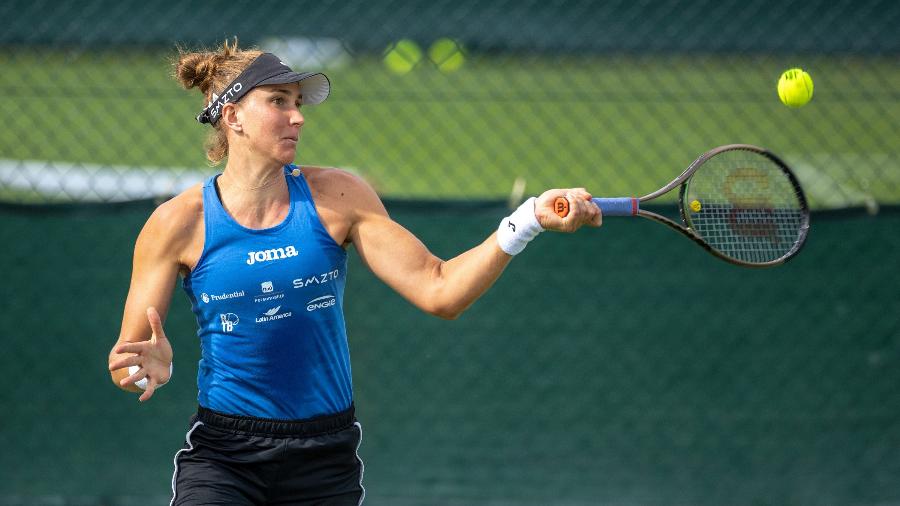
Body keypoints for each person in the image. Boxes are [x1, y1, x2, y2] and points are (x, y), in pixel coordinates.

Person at [107, 39, 601, 506]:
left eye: (298, 101)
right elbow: (126, 363)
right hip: (224, 456)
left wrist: (527, 221)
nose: (298, 116)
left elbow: (440, 289)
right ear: (232, 116)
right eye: (278, 101)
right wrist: (146, 368)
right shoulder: (176, 223)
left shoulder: (338, 197)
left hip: (324, 455)